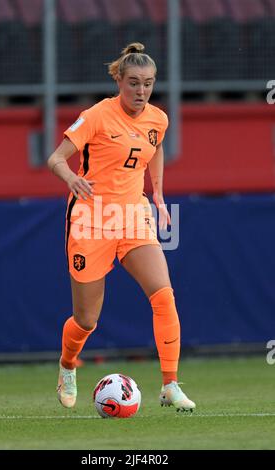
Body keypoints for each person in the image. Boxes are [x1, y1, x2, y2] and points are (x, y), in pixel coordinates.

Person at [47, 42, 195, 412]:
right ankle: (67, 365)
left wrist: (157, 194)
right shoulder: (97, 116)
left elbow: (155, 146)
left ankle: (170, 384)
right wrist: (70, 178)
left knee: (163, 296)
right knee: (86, 320)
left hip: (132, 216)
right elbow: (55, 158)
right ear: (119, 80)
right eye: (133, 83)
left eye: (148, 83)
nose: (141, 91)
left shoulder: (157, 118)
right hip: (91, 220)